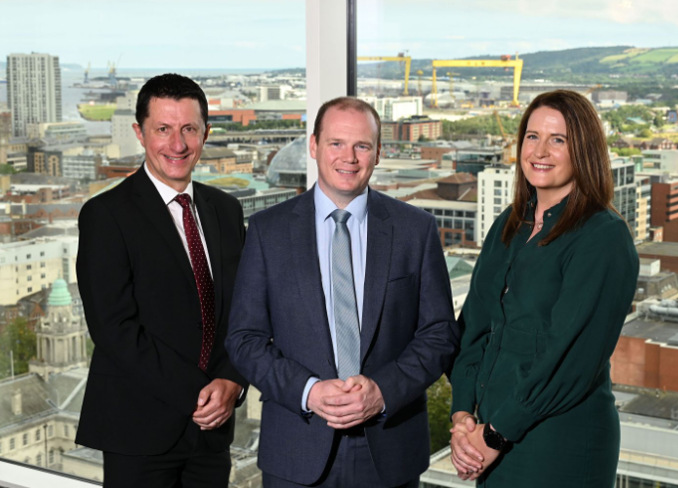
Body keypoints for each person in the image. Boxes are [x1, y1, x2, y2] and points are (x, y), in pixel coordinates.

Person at [226, 96, 459, 488]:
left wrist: (384, 391)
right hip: (296, 448)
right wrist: (309, 391)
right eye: (336, 143)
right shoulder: (268, 231)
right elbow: (244, 339)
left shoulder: (414, 230)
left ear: (378, 153)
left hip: (389, 447)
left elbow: (439, 334)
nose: (348, 157)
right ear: (314, 146)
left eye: (361, 146)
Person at [448, 89, 638, 487]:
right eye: (532, 137)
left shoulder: (603, 237)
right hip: (488, 434)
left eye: (559, 139)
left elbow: (570, 358)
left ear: (583, 150)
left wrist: (497, 433)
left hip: (558, 442)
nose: (540, 151)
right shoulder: (508, 224)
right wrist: (463, 414)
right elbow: (475, 326)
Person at [75, 73, 247, 488]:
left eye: (189, 129)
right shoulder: (106, 216)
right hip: (139, 430)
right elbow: (114, 329)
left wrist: (232, 381)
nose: (178, 144)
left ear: (205, 133)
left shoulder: (225, 210)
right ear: (139, 133)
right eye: (163, 130)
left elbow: (242, 309)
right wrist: (202, 393)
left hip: (211, 434)